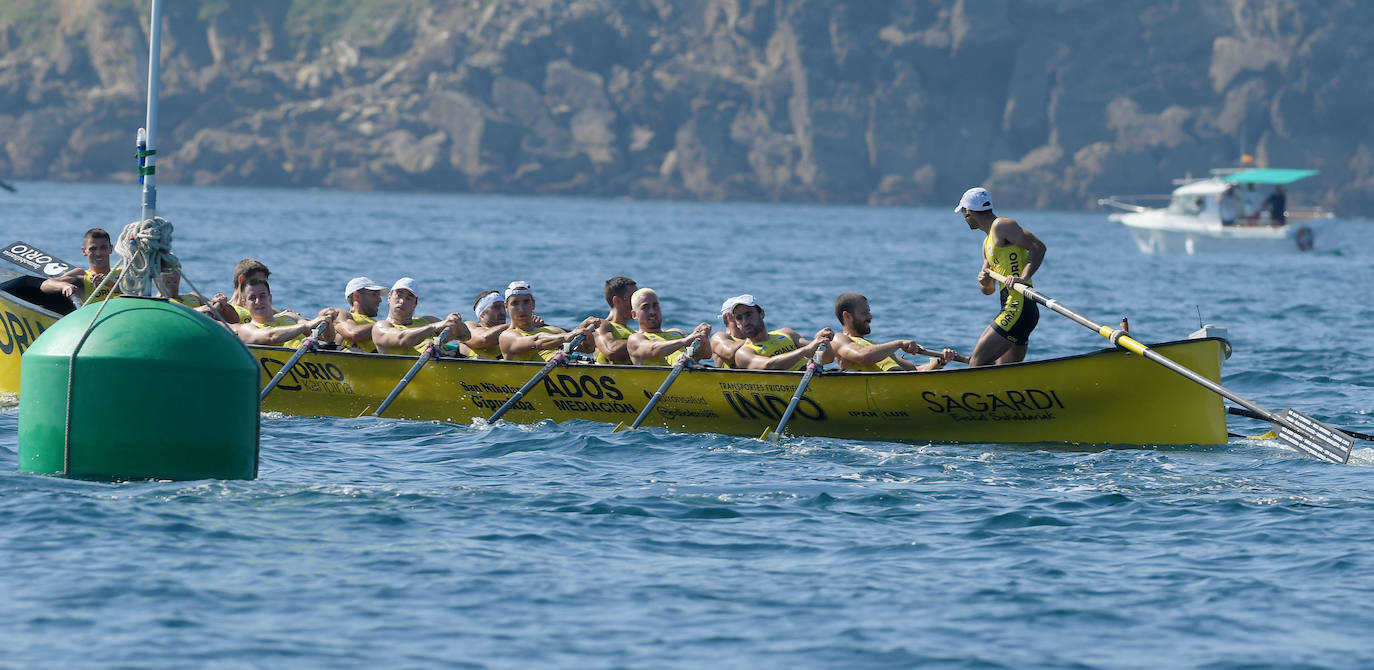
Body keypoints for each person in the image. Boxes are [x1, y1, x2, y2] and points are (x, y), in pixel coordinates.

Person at [956, 186, 1046, 367]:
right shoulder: (986, 243)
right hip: (1020, 309)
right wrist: (984, 281)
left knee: (978, 361)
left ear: (968, 212)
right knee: (1004, 371)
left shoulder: (1002, 225)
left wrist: (1023, 277)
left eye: (963, 214)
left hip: (1018, 306)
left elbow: (1038, 247)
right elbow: (987, 290)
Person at [830, 293, 957, 371]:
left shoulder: (874, 348)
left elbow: (915, 370)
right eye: (864, 313)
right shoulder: (839, 339)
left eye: (869, 312)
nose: (870, 317)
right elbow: (863, 356)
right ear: (847, 316)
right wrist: (899, 344)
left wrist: (941, 361)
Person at [724, 294, 834, 370]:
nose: (745, 322)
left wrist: (822, 342)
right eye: (739, 318)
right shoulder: (744, 353)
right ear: (736, 323)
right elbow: (770, 365)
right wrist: (807, 349)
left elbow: (827, 359)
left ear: (762, 314)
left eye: (749, 314)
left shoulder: (786, 333)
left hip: (812, 378)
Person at [499, 280, 599, 362]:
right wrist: (566, 336)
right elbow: (537, 341)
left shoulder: (553, 331)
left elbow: (588, 349)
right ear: (506, 307)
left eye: (526, 302)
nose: (521, 309)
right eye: (515, 303)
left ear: (533, 304)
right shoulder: (506, 336)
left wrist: (586, 332)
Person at [372, 277, 467, 356]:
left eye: (409, 298)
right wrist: (433, 327)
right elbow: (402, 338)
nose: (402, 301)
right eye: (399, 295)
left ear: (415, 304)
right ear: (389, 297)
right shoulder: (381, 327)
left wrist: (456, 323)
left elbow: (465, 336)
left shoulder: (428, 320)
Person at [233, 277, 338, 347]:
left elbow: (328, 339)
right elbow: (271, 336)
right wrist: (307, 325)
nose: (258, 301)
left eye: (262, 296)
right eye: (252, 298)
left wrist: (328, 323)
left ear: (270, 298)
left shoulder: (291, 317)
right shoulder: (246, 329)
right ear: (244, 303)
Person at [626, 288, 712, 366]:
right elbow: (653, 349)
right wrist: (685, 340)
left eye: (655, 306)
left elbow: (705, 355)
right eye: (645, 307)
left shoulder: (677, 333)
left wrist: (703, 338)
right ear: (634, 315)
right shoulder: (635, 339)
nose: (652, 311)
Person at [41, 228, 122, 304]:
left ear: (111, 249)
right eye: (93, 249)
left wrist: (112, 285)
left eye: (103, 248)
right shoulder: (81, 275)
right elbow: (45, 285)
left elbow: (134, 289)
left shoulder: (124, 272)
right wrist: (64, 285)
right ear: (84, 251)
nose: (98, 253)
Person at [334, 276, 388, 353]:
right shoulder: (343, 314)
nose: (380, 300)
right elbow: (354, 334)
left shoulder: (376, 323)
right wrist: (387, 326)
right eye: (374, 294)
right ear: (357, 296)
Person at [592, 275, 637, 365]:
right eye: (633, 298)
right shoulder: (602, 325)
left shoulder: (634, 332)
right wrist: (646, 341)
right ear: (617, 301)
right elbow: (610, 350)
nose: (637, 302)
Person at [460, 290, 510, 359]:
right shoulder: (467, 327)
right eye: (496, 307)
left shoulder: (509, 330)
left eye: (503, 307)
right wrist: (516, 324)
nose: (502, 312)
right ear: (482, 314)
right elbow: (483, 339)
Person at [710, 297, 749, 368]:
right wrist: (756, 339)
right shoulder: (719, 337)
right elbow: (730, 353)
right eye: (745, 313)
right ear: (730, 316)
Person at [228, 258, 270, 323]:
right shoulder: (222, 311)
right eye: (256, 281)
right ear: (242, 279)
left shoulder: (265, 308)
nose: (261, 286)